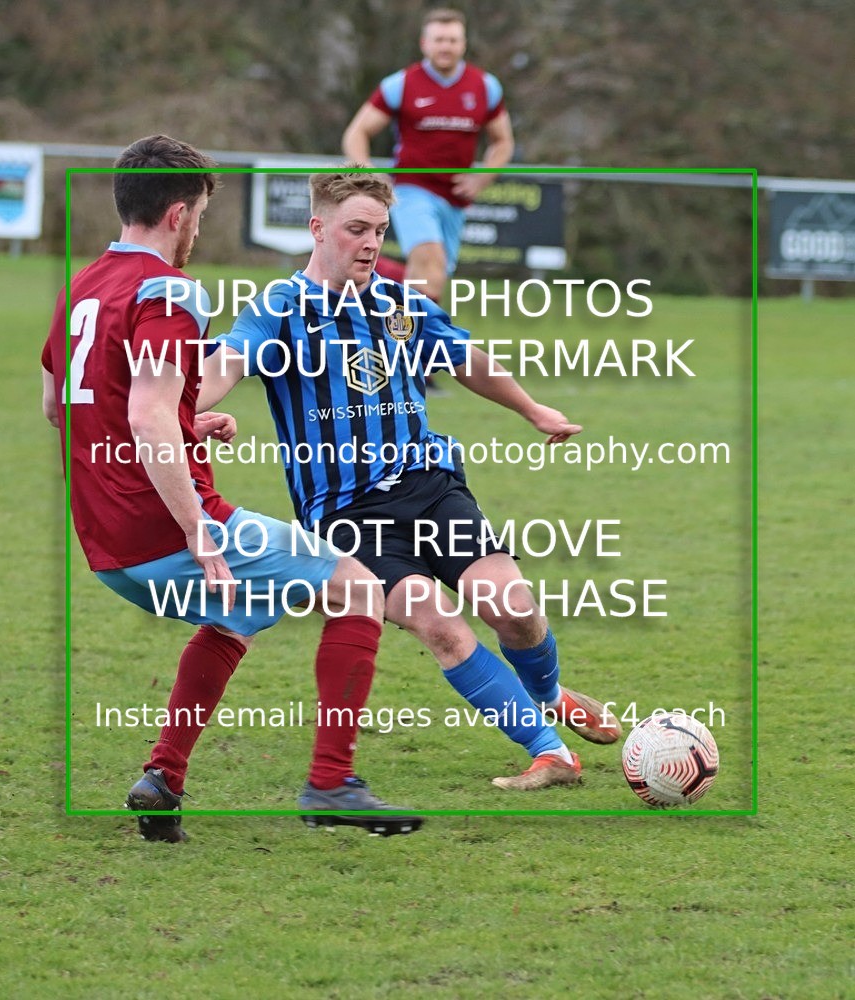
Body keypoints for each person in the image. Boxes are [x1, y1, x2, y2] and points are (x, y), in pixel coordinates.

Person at [41, 135, 422, 841]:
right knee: (359, 589)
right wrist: (195, 527)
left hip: (105, 543)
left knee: (239, 616)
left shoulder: (83, 286)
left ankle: (162, 779)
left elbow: (61, 405)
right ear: (181, 214)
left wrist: (187, 423)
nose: (198, 233)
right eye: (203, 218)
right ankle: (332, 782)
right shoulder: (170, 290)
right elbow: (145, 413)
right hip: (166, 531)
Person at [197, 169, 621, 791]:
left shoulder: (399, 302)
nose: (371, 243)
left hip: (429, 485)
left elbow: (461, 358)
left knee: (514, 610)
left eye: (380, 230)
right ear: (318, 229)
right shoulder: (278, 309)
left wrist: (532, 409)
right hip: (346, 517)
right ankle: (551, 752)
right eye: (356, 229)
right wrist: (183, 411)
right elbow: (228, 361)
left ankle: (550, 693)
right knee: (441, 627)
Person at [341, 7, 515, 305]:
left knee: (431, 275)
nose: (445, 46)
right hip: (412, 189)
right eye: (439, 40)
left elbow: (503, 142)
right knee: (429, 260)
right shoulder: (401, 84)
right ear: (425, 43)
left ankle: (361, 277)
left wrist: (484, 177)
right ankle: (424, 343)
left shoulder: (485, 86)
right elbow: (355, 134)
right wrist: (370, 176)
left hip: (456, 197)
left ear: (463, 44)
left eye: (452, 40)